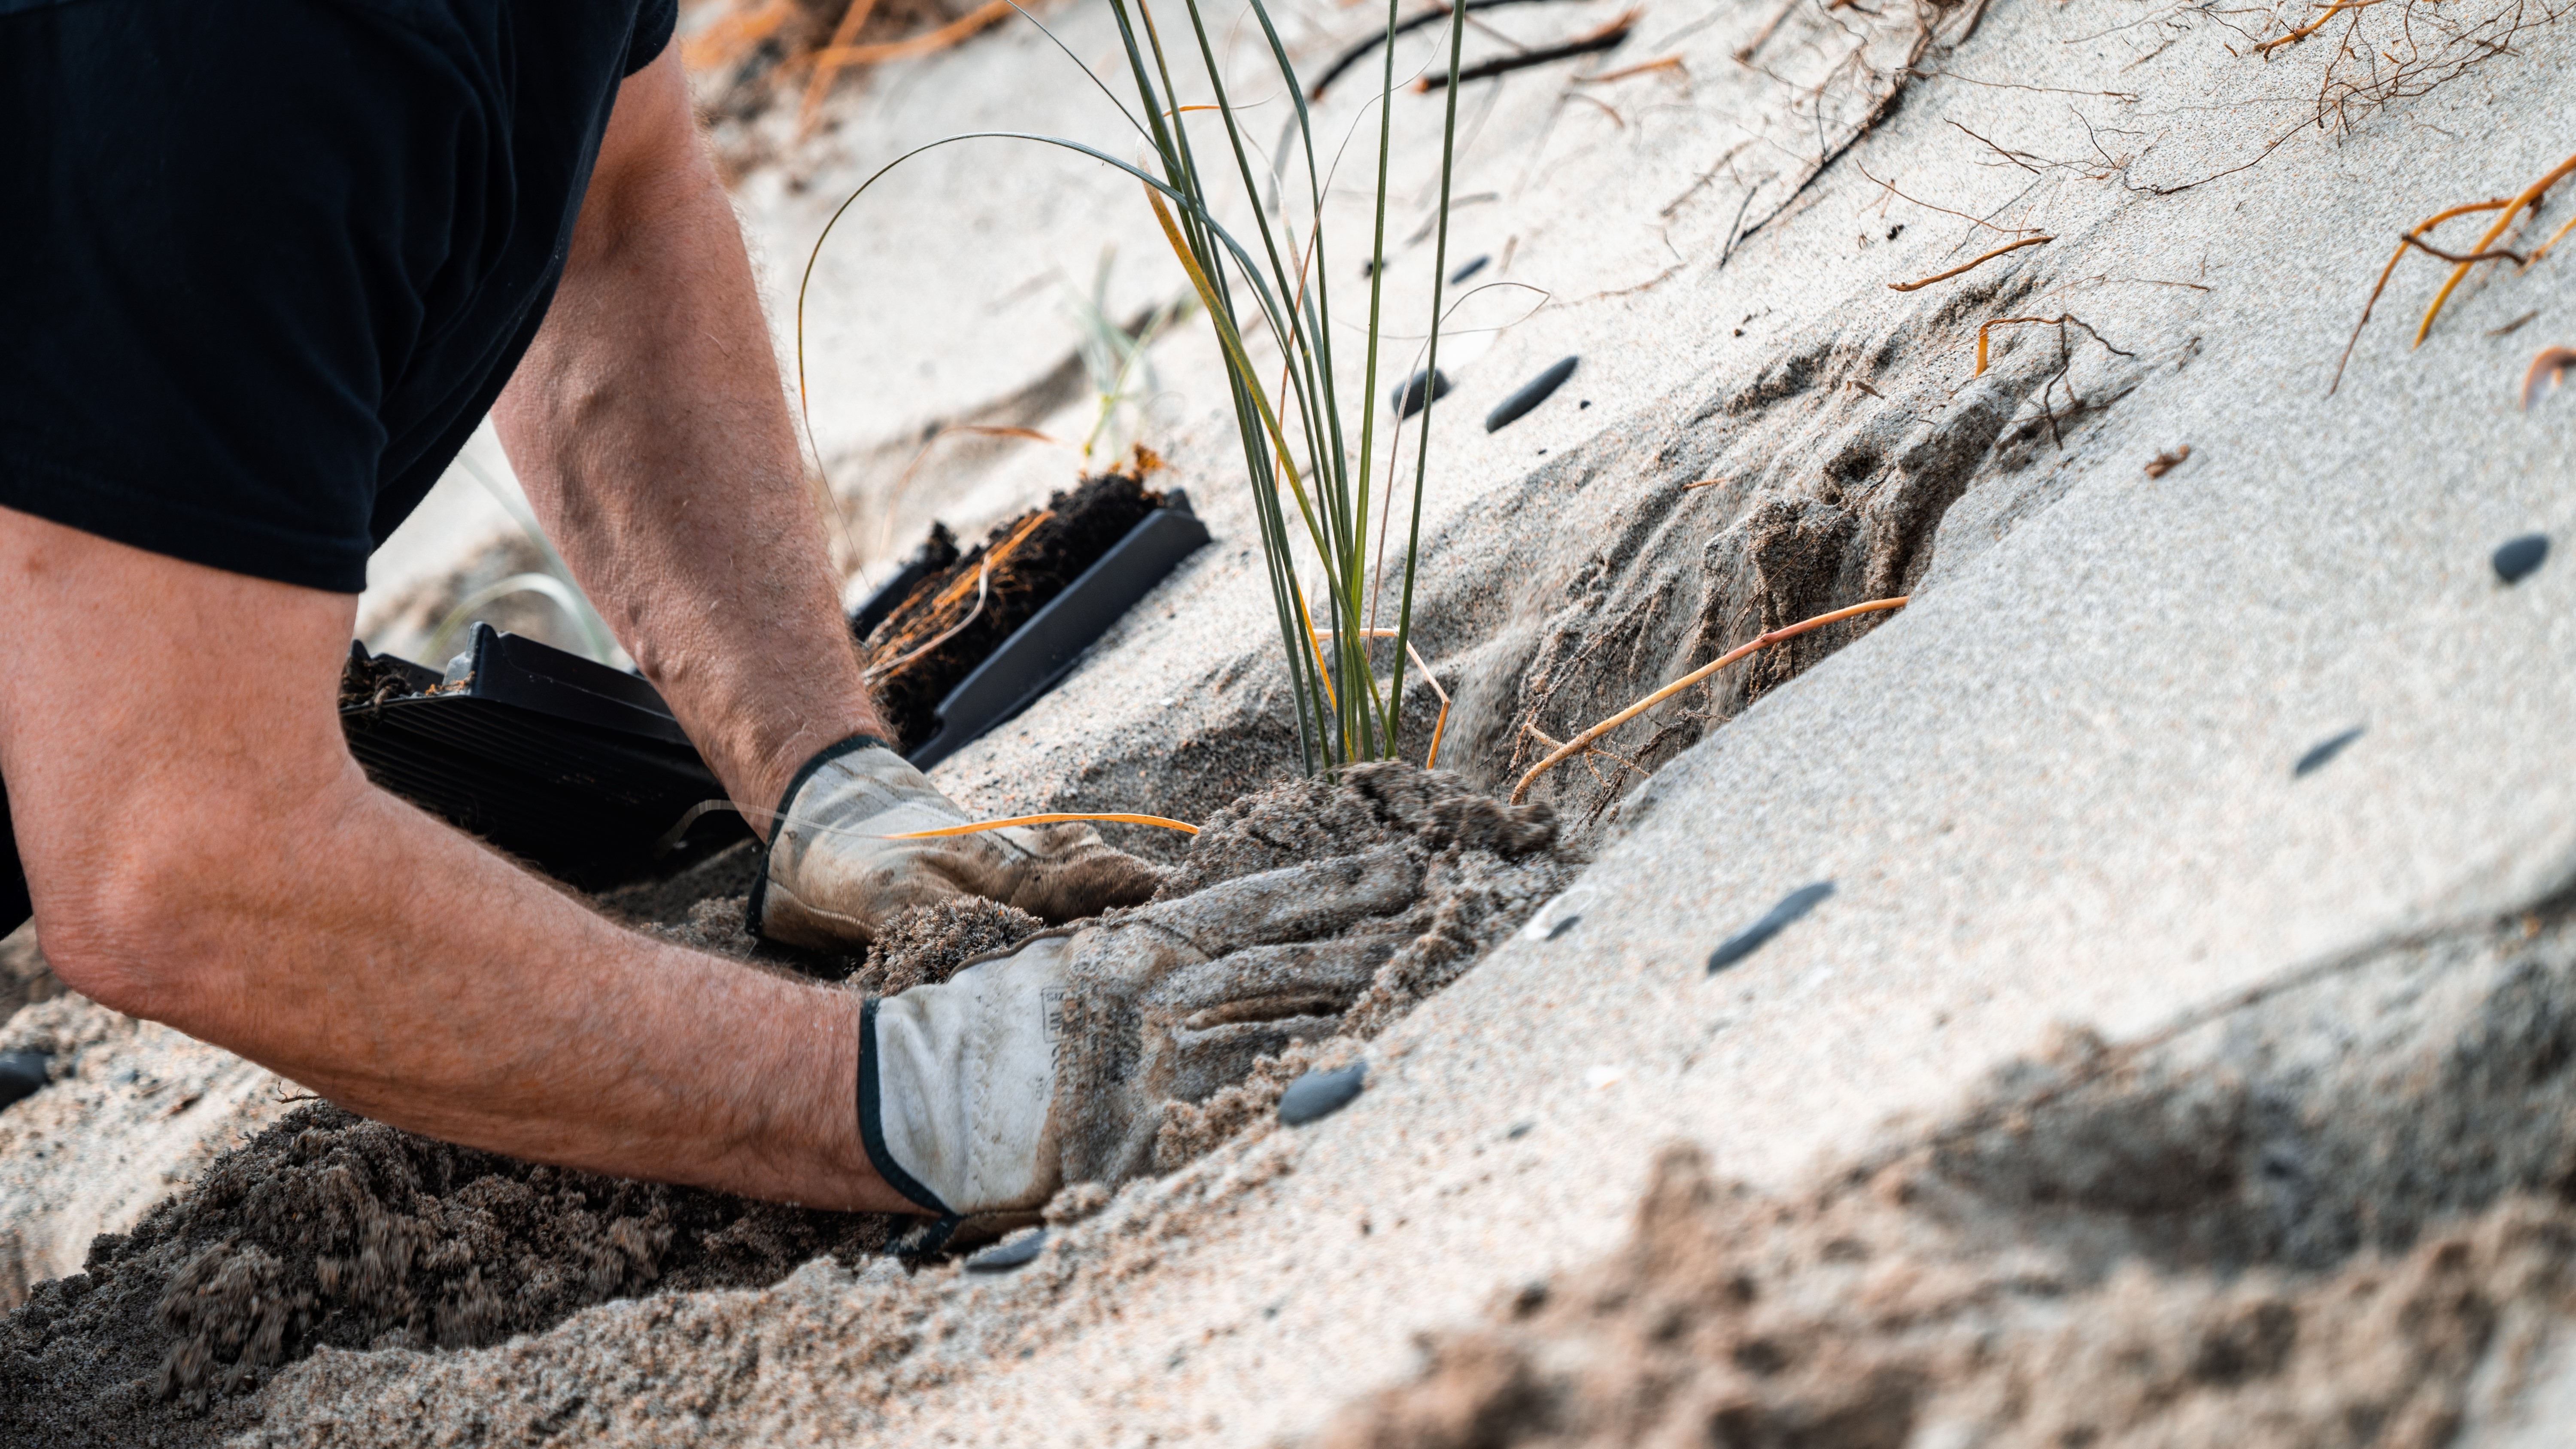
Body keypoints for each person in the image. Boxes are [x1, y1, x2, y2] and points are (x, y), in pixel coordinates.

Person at [0, 0, 1395, 1227]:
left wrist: (824, 776)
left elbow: (611, 216)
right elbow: (178, 866)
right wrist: (917, 1097)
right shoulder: (207, 57)